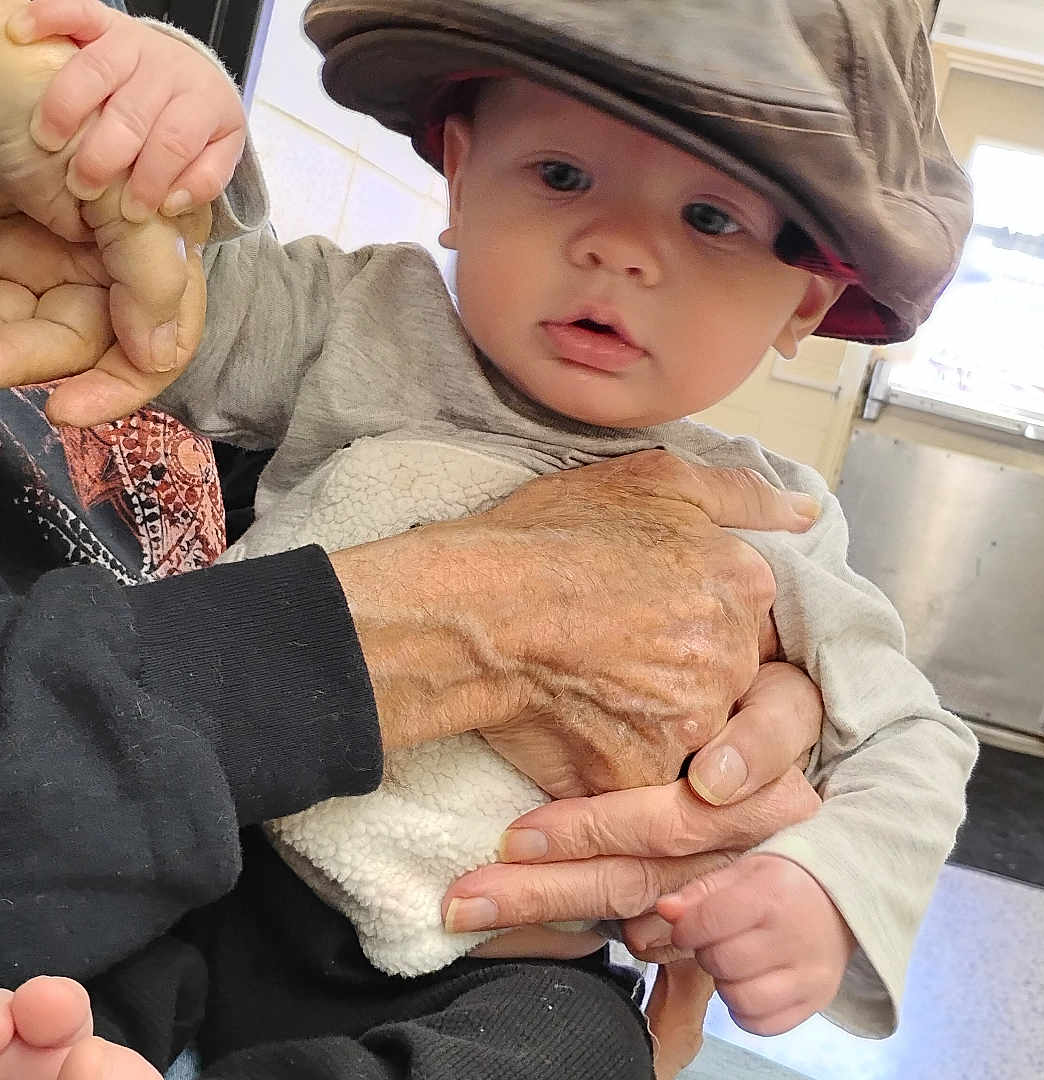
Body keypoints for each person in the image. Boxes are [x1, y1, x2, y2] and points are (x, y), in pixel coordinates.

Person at [0, 0, 979, 1078]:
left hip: (493, 950)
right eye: (562, 176)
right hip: (224, 852)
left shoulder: (771, 517)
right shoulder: (359, 320)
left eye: (711, 219)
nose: (617, 245)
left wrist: (822, 884)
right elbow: (173, 295)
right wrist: (163, 120)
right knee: (81, 943)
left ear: (809, 298)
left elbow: (906, 739)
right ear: (461, 179)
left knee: (577, 1049)